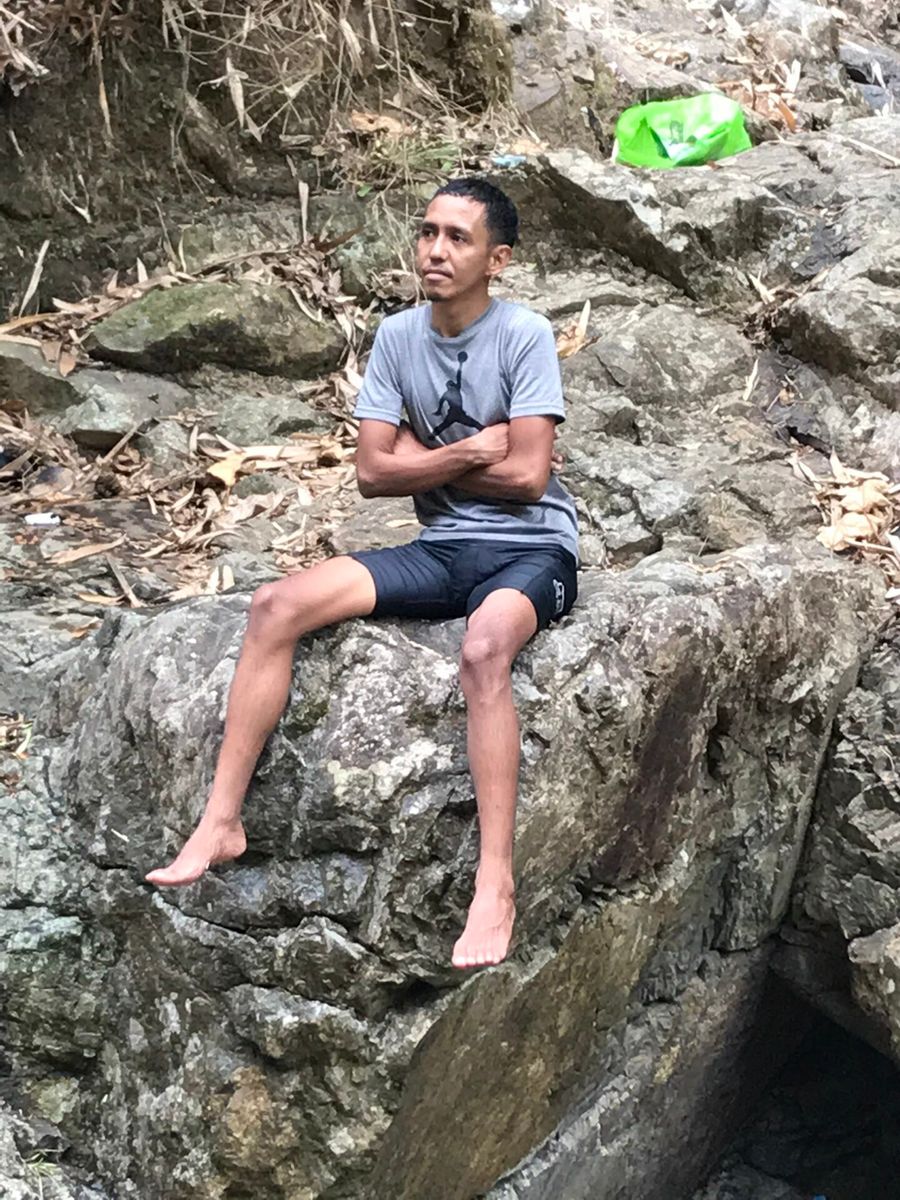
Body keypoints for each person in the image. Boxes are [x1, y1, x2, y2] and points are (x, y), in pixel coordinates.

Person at [146, 177, 579, 970]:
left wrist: (422, 458)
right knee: (275, 605)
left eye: (458, 238)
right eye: (428, 232)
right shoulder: (398, 337)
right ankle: (221, 822)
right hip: (443, 546)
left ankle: (495, 882)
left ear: (497, 260)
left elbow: (527, 477)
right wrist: (466, 450)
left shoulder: (524, 335)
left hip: (534, 549)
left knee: (484, 650)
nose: (435, 250)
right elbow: (372, 474)